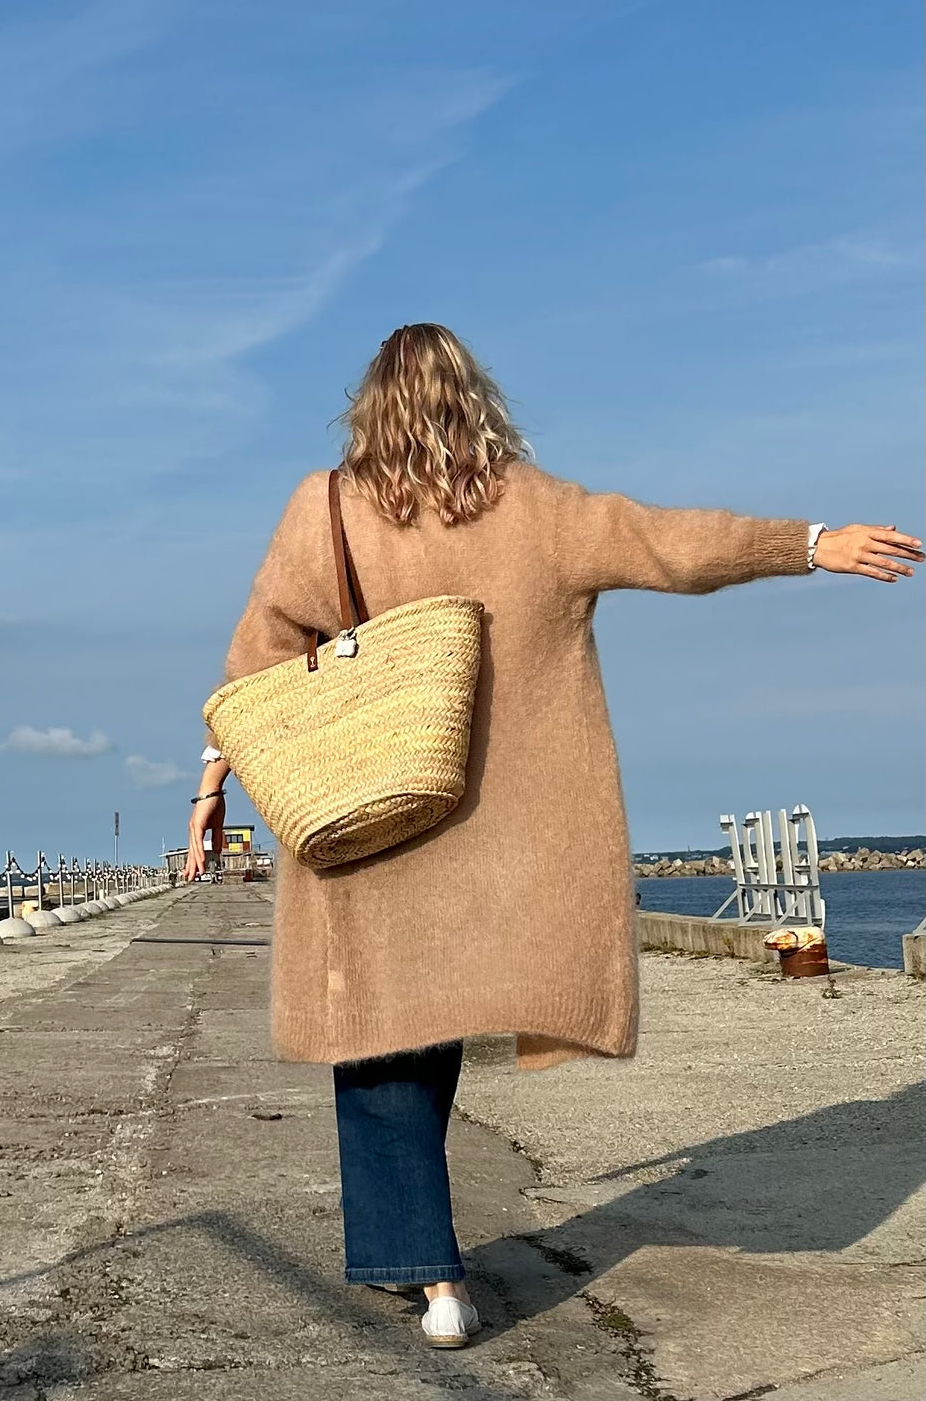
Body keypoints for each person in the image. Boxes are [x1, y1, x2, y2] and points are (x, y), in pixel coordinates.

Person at [185, 323, 920, 1349]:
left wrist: (213, 778)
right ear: (475, 399)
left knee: (383, 1044)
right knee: (432, 1025)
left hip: (373, 823)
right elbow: (670, 542)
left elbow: (258, 664)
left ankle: (432, 1278)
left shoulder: (328, 507)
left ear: (369, 406)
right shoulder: (533, 506)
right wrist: (811, 542)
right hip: (493, 843)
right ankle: (429, 1265)